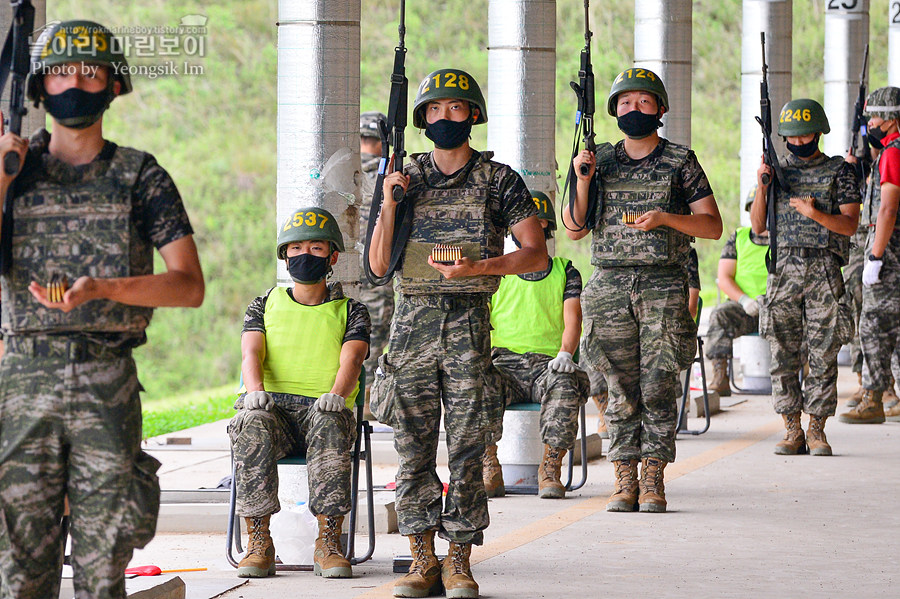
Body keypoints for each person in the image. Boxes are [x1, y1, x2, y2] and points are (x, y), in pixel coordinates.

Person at [0, 21, 204, 598]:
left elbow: (188, 286)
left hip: (106, 381)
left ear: (115, 86)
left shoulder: (141, 176)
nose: (77, 83)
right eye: (63, 71)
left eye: (91, 72)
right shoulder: (12, 170)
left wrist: (102, 290)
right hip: (22, 384)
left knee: (102, 565)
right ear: (40, 85)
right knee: (18, 568)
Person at [369, 68, 546, 598]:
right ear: (422, 118)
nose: (446, 118)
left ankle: (459, 559)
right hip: (411, 328)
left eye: (457, 108)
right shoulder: (404, 177)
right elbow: (379, 266)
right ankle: (422, 558)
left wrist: (481, 268)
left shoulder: (499, 181)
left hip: (469, 327)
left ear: (473, 115)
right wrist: (390, 202)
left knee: (469, 447)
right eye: (436, 109)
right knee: (412, 447)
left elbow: (536, 254)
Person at [564, 67, 722, 514]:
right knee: (617, 387)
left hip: (664, 285)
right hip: (609, 284)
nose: (635, 109)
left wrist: (667, 218)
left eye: (644, 102)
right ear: (614, 110)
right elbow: (574, 230)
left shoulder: (680, 161)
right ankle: (623, 479)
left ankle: (653, 478)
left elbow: (712, 226)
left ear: (660, 109)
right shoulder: (599, 159)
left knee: (658, 385)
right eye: (626, 102)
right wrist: (582, 177)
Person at [229, 207, 369, 579]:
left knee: (330, 420)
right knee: (250, 420)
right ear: (285, 255)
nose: (304, 255)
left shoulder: (351, 310)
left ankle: (329, 542)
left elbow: (352, 360)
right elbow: (251, 352)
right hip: (274, 410)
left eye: (316, 248)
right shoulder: (263, 304)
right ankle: (258, 541)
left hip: (323, 408)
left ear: (333, 257)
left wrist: (337, 394)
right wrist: (255, 391)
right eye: (296, 248)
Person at [750, 98, 859, 454]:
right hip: (783, 272)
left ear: (819, 132)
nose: (799, 143)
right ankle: (791, 427)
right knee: (782, 351)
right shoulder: (777, 172)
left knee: (824, 351)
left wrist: (815, 214)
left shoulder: (839, 171)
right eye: (793, 138)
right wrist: (764, 185)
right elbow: (757, 226)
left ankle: (817, 428)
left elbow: (850, 224)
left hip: (824, 270)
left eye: (806, 135)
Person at [483, 192, 590, 500]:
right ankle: (489, 466)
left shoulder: (565, 270)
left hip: (549, 365)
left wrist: (566, 353)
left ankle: (550, 469)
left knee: (567, 383)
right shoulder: (497, 270)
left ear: (543, 224)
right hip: (504, 366)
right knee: (476, 384)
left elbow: (573, 320)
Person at [839, 87, 900, 424]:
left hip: (890, 253)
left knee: (874, 325)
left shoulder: (893, 153)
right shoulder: (890, 152)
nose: (871, 123)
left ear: (891, 121)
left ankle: (874, 399)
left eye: (875, 117)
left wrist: (875, 256)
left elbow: (888, 209)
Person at [706, 190, 769, 397]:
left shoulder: (786, 238)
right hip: (746, 309)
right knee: (719, 314)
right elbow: (724, 277)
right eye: (756, 209)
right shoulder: (739, 237)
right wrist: (744, 300)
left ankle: (795, 376)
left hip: (777, 307)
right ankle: (720, 377)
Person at [358, 111, 395, 416]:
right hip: (377, 275)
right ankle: (368, 398)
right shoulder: (388, 179)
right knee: (375, 335)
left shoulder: (343, 175)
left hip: (340, 274)